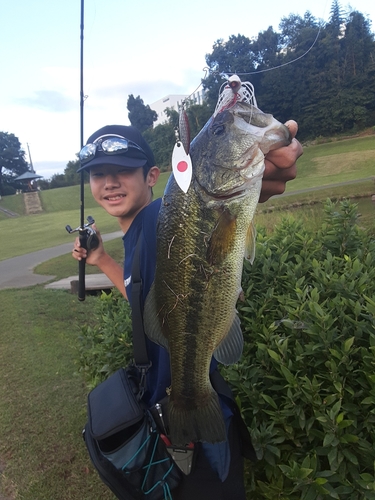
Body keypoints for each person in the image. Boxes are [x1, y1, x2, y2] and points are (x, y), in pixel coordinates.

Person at [72, 121, 303, 499]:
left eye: (123, 171)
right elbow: (146, 304)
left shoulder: (157, 218)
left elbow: (198, 208)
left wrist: (241, 183)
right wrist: (102, 259)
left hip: (198, 439)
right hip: (169, 420)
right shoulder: (135, 236)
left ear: (153, 176)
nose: (110, 182)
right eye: (99, 174)